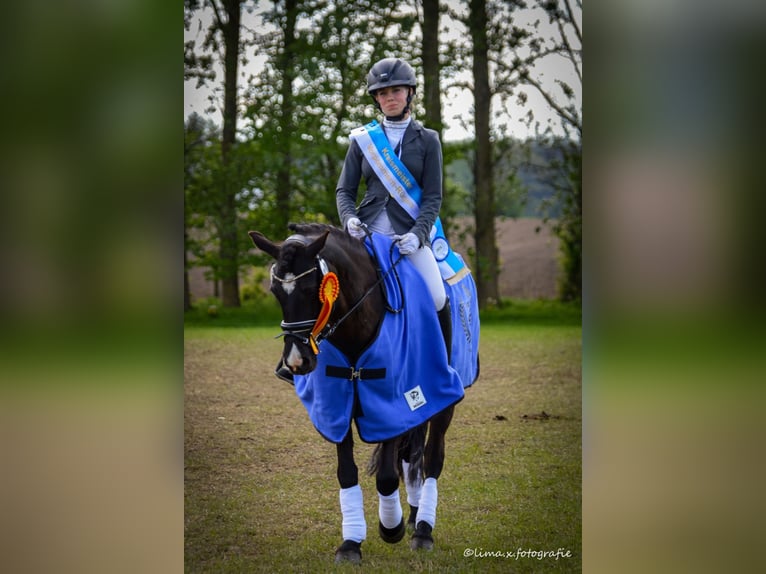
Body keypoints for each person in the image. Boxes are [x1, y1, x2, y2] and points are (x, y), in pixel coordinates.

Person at [336, 57, 451, 359]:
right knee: (333, 294)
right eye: (383, 93)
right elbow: (344, 191)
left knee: (438, 297)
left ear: (410, 93)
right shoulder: (363, 141)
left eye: (396, 91)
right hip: (366, 236)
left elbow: (433, 197)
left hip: (409, 236)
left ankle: (444, 370)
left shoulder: (429, 141)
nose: (389, 98)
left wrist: (418, 234)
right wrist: (348, 220)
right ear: (376, 98)